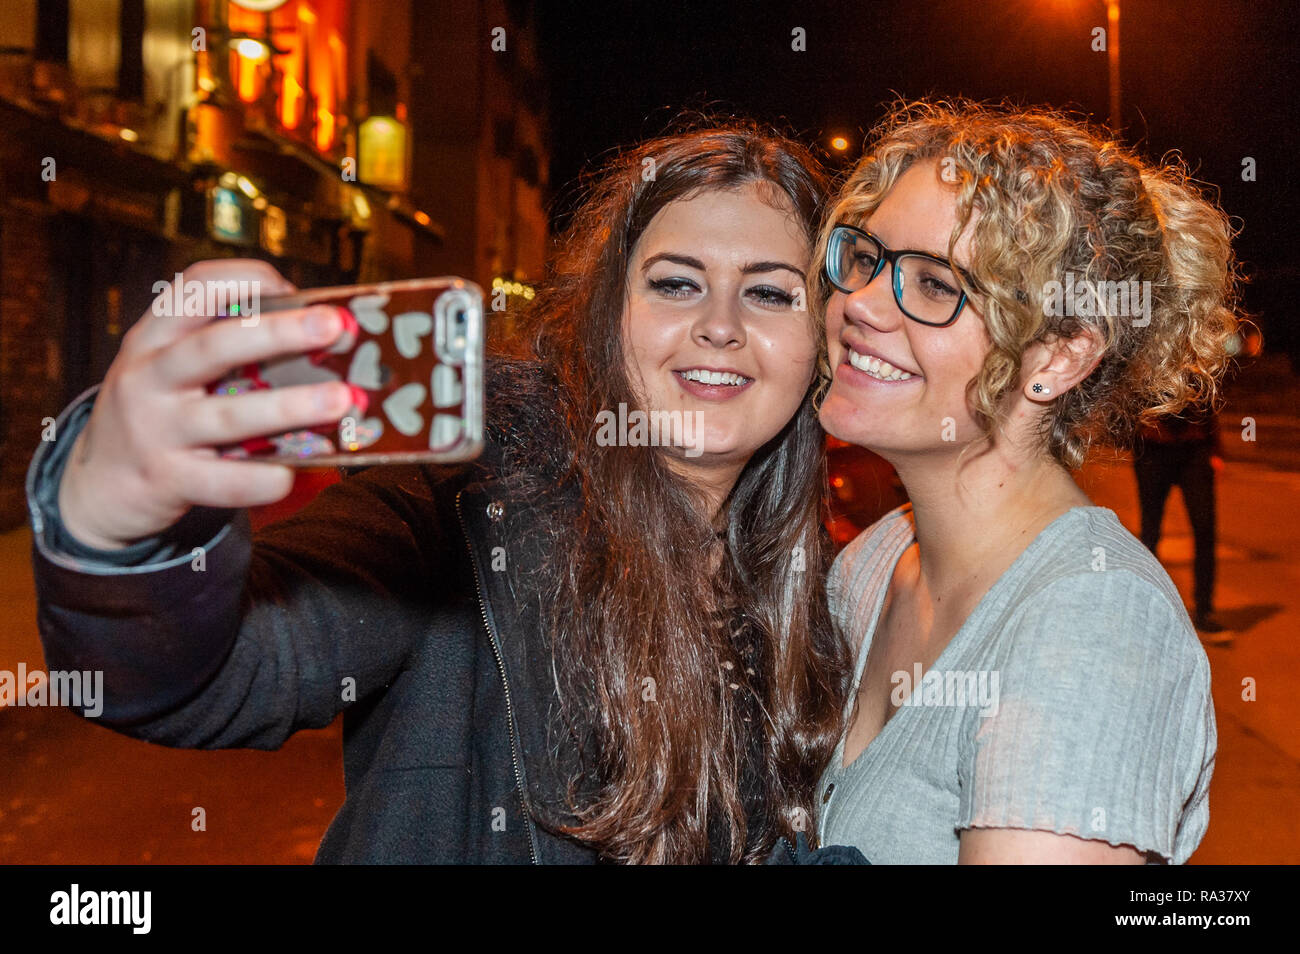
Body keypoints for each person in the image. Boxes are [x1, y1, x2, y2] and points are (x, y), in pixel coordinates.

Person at [28, 122, 851, 864]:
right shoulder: (468, 503)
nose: (720, 325)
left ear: (822, 337)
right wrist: (115, 533)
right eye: (675, 283)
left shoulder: (821, 588)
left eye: (771, 292)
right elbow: (219, 672)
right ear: (608, 316)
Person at [811, 100, 1238, 864]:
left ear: (1059, 358)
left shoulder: (1096, 622)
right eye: (866, 258)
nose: (859, 304)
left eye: (936, 285)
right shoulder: (869, 566)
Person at [1132, 405, 1228, 636]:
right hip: (1153, 446)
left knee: (1205, 529)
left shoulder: (1198, 367)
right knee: (1150, 532)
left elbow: (1209, 395)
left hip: (1195, 446)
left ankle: (1204, 610)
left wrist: (1216, 448)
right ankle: (1145, 611)